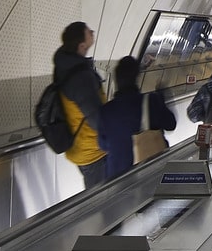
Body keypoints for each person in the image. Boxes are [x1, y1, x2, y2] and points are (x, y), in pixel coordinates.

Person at [96, 56, 177, 181]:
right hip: (149, 172)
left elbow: (103, 145)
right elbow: (171, 124)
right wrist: (163, 97)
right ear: (136, 78)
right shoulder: (151, 102)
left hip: (116, 177)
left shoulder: (105, 111)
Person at [53, 21, 108, 188]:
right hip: (93, 151)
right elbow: (96, 120)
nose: (92, 32)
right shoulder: (80, 77)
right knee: (103, 203)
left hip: (84, 147)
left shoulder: (67, 67)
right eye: (89, 31)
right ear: (82, 45)